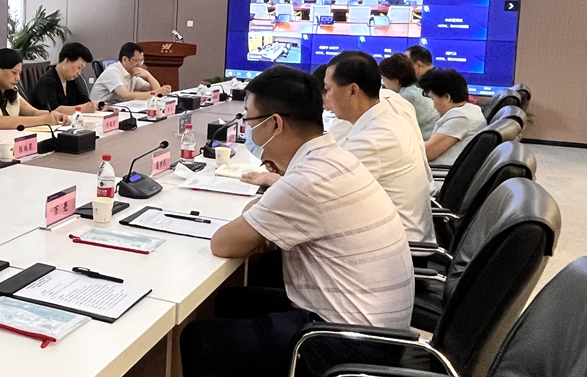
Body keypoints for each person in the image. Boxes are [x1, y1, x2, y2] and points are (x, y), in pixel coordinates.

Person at [181, 65, 413, 377]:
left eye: (249, 120)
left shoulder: (309, 178)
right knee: (232, 300)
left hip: (352, 342)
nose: (249, 130)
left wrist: (259, 223)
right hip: (376, 327)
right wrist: (262, 221)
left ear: (274, 123)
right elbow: (261, 213)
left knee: (200, 339)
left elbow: (223, 244)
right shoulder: (331, 158)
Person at [322, 52, 434, 242]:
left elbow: (321, 194)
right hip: (399, 231)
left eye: (328, 89)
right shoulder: (389, 109)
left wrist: (277, 180)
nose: (327, 98)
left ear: (352, 90)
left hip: (400, 246)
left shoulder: (373, 140)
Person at [0, 48, 69, 133]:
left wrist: (53, 115)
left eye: (19, 73)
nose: (18, 78)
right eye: (14, 73)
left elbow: (33, 112)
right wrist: (43, 120)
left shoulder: (11, 90)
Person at [418, 68, 487, 167]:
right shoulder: (470, 111)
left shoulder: (461, 118)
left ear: (447, 97)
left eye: (433, 99)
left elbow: (428, 152)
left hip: (440, 172)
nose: (434, 106)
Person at [379, 53, 440, 140]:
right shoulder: (414, 90)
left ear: (395, 80)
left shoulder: (407, 96)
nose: (383, 84)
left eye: (384, 79)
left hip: (426, 141)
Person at [89, 43, 171, 104]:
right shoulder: (113, 71)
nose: (139, 64)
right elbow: (126, 96)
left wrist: (148, 75)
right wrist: (156, 92)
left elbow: (156, 90)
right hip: (99, 111)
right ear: (125, 59)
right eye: (136, 60)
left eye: (141, 61)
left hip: (117, 109)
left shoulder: (132, 72)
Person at [29, 42, 98, 114]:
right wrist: (81, 109)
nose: (79, 73)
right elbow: (53, 111)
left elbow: (84, 101)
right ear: (66, 61)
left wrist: (96, 105)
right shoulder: (47, 81)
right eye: (79, 67)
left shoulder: (72, 81)